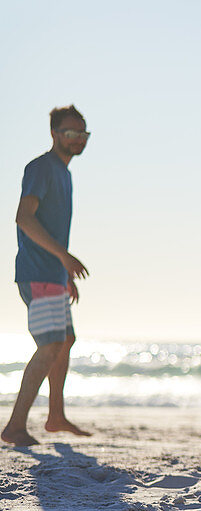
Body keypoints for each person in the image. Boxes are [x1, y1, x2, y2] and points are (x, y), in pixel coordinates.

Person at [3, 106, 92, 447]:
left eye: (83, 133)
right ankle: (14, 427)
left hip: (52, 274)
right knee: (50, 345)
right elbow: (23, 218)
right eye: (71, 133)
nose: (78, 139)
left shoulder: (65, 173)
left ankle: (56, 416)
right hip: (37, 273)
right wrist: (64, 257)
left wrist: (63, 271)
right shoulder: (41, 167)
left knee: (65, 340)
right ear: (55, 134)